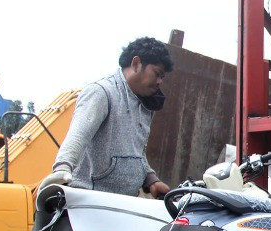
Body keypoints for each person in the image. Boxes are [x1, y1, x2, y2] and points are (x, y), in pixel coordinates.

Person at [39, 37, 174, 197]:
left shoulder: (144, 104)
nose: (159, 81)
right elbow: (78, 136)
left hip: (124, 202)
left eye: (162, 77)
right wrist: (62, 168)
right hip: (91, 201)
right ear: (136, 63)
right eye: (157, 74)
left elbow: (135, 150)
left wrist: (150, 179)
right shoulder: (102, 92)